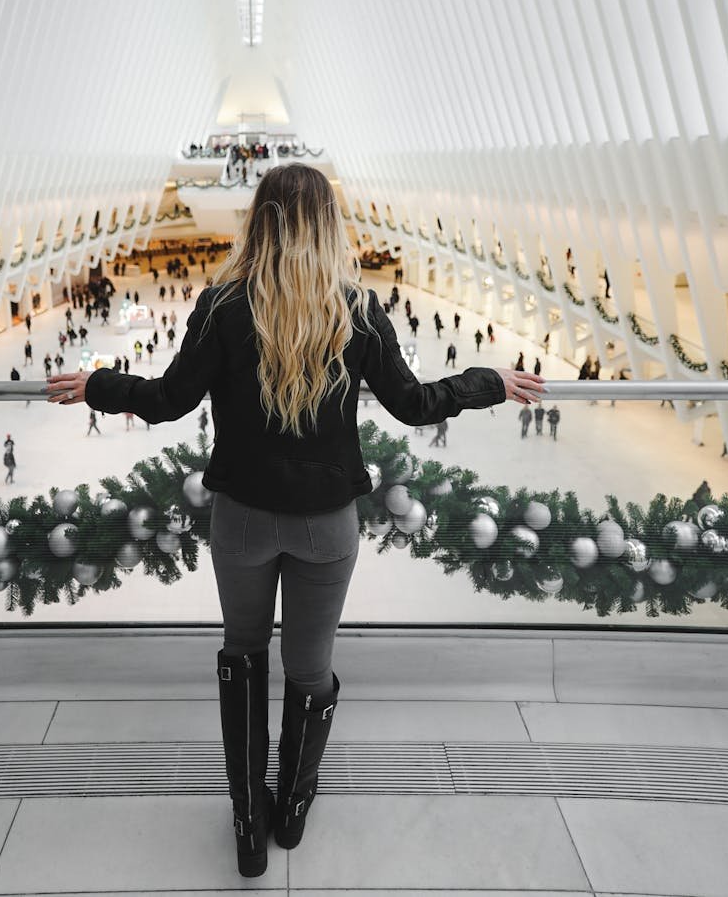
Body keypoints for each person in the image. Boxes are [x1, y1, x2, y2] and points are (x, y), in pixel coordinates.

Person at [46, 163, 543, 878]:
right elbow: (413, 403)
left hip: (242, 519)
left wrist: (96, 384)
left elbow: (166, 400)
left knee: (243, 655)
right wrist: (486, 382)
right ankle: (294, 808)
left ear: (260, 219)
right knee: (308, 671)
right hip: (325, 525)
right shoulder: (357, 310)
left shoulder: (223, 304)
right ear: (327, 226)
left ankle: (248, 824)